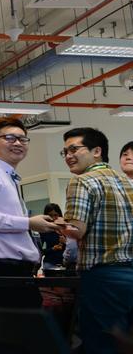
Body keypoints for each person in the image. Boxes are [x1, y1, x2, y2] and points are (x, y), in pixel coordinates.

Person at [0, 118, 60, 308]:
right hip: (2, 269)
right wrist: (28, 223)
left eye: (23, 139)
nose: (17, 143)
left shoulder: (9, 177)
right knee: (22, 326)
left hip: (15, 270)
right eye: (9, 138)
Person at [60, 127, 133, 354]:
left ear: (97, 151)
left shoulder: (81, 181)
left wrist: (51, 224)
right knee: (125, 343)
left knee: (101, 344)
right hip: (129, 274)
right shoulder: (127, 182)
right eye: (65, 152)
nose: (69, 156)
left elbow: (76, 230)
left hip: (102, 276)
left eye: (74, 149)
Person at [40, 203, 66, 271]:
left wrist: (65, 242)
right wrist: (52, 249)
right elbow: (40, 251)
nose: (53, 218)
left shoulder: (66, 228)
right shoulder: (43, 230)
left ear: (59, 215)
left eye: (55, 215)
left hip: (66, 263)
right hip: (50, 263)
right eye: (50, 215)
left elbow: (74, 248)